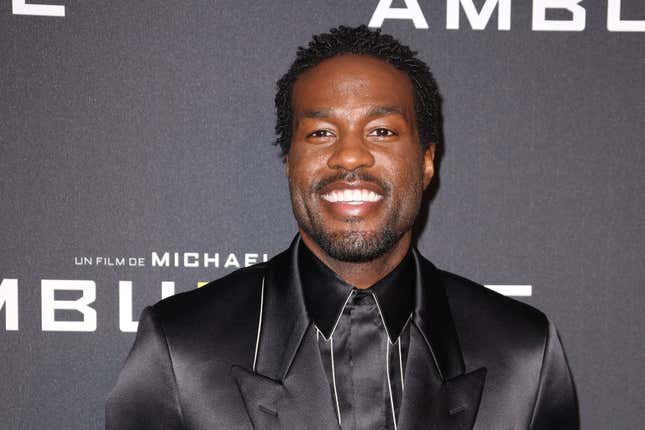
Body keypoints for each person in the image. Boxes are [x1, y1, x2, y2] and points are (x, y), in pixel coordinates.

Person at [106, 25, 578, 429]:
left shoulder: (523, 354)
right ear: (290, 160)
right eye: (321, 133)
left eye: (382, 131)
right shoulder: (180, 348)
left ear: (427, 160)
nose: (350, 156)